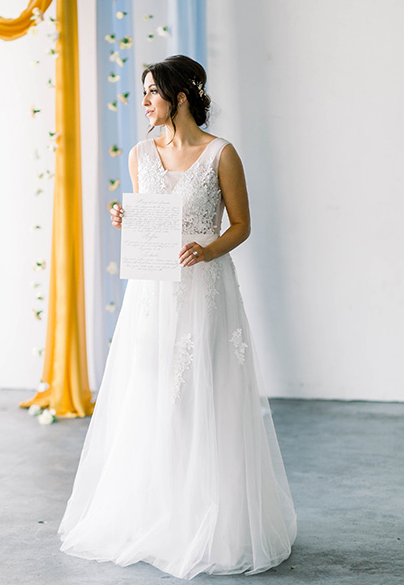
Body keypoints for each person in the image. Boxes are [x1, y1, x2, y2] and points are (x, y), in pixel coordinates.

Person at [58, 55, 297, 579]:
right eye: (143, 92)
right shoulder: (141, 154)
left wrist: (207, 251)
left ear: (180, 95)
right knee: (151, 396)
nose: (144, 101)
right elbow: (148, 221)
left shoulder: (221, 155)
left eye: (151, 92)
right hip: (151, 294)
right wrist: (125, 216)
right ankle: (154, 515)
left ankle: (208, 520)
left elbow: (242, 225)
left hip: (204, 291)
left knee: (201, 399)